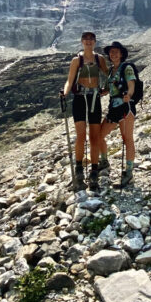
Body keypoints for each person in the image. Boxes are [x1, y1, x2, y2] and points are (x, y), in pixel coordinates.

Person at [61, 31, 108, 191]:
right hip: (80, 98)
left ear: (94, 42)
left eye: (91, 39)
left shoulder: (99, 59)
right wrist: (65, 92)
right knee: (81, 135)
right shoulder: (77, 60)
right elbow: (70, 80)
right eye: (86, 39)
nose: (88, 42)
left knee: (94, 137)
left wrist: (107, 89)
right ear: (82, 41)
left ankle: (94, 170)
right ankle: (79, 167)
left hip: (94, 98)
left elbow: (108, 75)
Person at [100, 40, 138, 188]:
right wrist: (102, 92)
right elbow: (111, 88)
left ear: (121, 54)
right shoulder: (112, 70)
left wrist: (129, 94)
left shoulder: (127, 68)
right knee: (100, 135)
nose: (113, 54)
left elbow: (131, 85)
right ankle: (104, 161)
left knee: (127, 138)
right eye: (111, 52)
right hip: (114, 108)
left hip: (125, 107)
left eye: (116, 51)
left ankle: (128, 173)